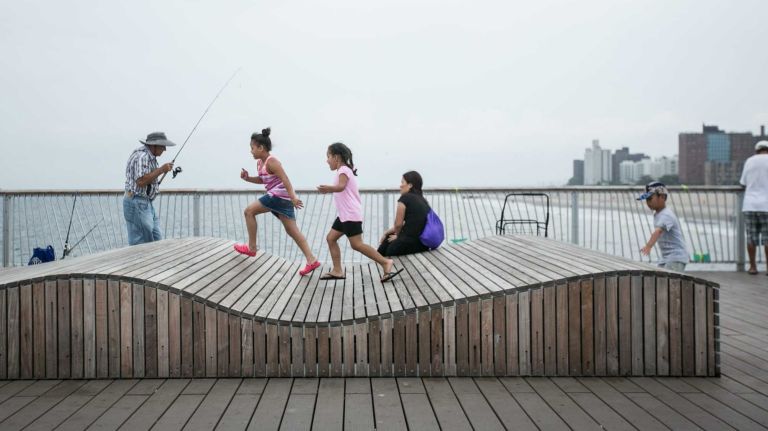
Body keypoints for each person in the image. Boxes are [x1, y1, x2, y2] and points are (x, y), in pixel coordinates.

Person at [234, 128, 321, 276]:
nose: (251, 151)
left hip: (278, 196)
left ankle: (252, 248)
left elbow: (285, 179)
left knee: (249, 211)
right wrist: (248, 178)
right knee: (292, 231)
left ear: (261, 148)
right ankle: (312, 260)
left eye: (252, 148)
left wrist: (293, 197)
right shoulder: (260, 164)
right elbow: (263, 180)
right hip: (281, 199)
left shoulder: (272, 161)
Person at [317, 143, 402, 282]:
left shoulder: (343, 170)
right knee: (331, 238)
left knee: (357, 244)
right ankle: (337, 270)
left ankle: (385, 262)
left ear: (336, 157)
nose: (327, 160)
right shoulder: (344, 170)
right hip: (344, 215)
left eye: (328, 157)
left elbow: (341, 186)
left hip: (350, 214)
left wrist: (328, 189)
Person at [123, 132, 175, 245]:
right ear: (153, 145)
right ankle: (139, 262)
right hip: (137, 202)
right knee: (141, 242)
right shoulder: (142, 157)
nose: (165, 149)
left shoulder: (150, 157)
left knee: (156, 239)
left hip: (145, 203)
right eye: (162, 146)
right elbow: (141, 182)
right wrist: (161, 170)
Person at [377, 171, 431, 257]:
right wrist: (387, 232)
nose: (400, 185)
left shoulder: (404, 198)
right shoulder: (423, 200)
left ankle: (379, 264)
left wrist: (398, 237)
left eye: (402, 182)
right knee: (390, 236)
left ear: (410, 185)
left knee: (388, 242)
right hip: (422, 245)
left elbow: (398, 224)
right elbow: (406, 224)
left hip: (408, 244)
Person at [638, 182, 689, 272]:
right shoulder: (658, 214)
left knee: (669, 282)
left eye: (650, 198)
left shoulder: (666, 215)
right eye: (646, 200)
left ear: (662, 197)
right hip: (666, 257)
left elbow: (658, 231)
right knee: (658, 278)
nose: (648, 203)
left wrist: (648, 246)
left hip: (676, 257)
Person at [739, 140, 768, 275]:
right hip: (766, 205)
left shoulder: (749, 161)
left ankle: (752, 267)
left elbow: (743, 182)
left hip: (750, 204)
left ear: (757, 150)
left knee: (751, 237)